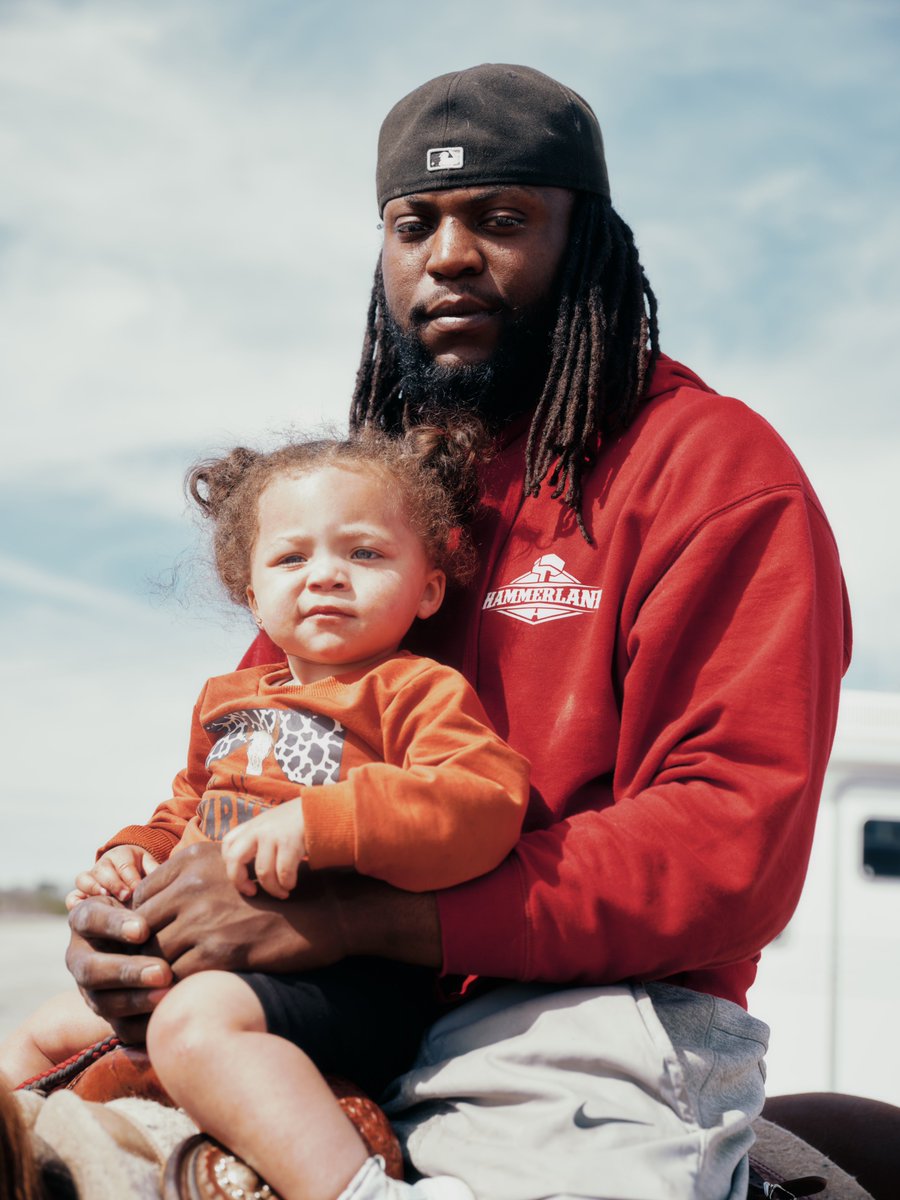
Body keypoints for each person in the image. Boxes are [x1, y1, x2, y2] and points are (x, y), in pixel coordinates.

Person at [62, 63, 851, 1200]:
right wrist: (143, 910)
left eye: (503, 219)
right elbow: (264, 744)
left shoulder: (716, 471)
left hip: (591, 1017)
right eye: (413, 223)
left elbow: (731, 848)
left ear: (587, 239)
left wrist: (363, 917)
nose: (448, 256)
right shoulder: (383, 501)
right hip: (343, 999)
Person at [2, 426, 530, 1200]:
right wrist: (133, 853)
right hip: (206, 968)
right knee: (43, 1030)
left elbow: (483, 799)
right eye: (292, 558)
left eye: (365, 554)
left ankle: (360, 1191)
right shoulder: (229, 700)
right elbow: (188, 804)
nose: (326, 577)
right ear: (252, 594)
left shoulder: (414, 691)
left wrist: (323, 824)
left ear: (428, 588)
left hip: (348, 980)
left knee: (194, 1030)